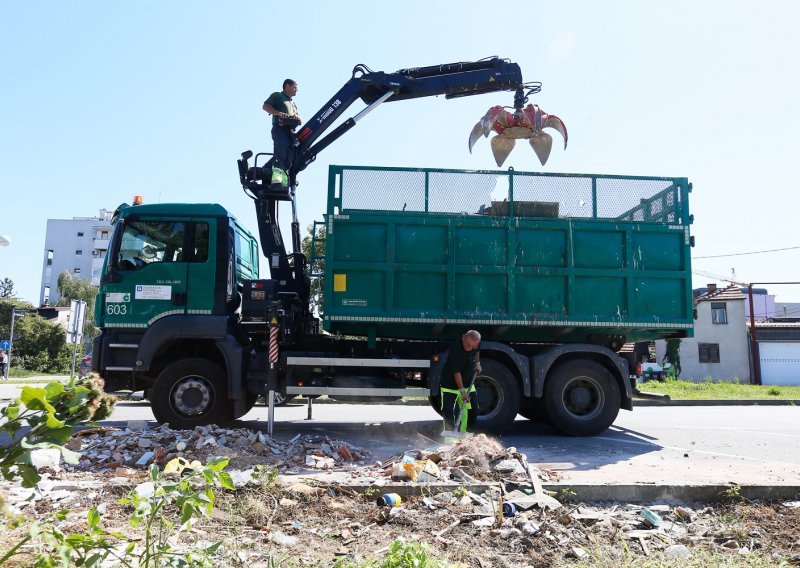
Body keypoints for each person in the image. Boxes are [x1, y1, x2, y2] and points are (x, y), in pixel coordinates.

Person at [439, 330, 482, 433]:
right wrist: (462, 391)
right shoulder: (455, 349)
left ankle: (467, 439)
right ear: (463, 338)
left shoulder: (475, 344)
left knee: (473, 410)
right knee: (448, 411)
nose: (469, 348)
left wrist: (477, 363)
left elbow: (477, 351)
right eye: (468, 345)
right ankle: (450, 441)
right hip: (450, 384)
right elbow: (456, 372)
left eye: (473, 346)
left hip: (468, 382)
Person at [262, 79, 302, 186]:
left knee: (289, 158)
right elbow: (265, 106)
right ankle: (277, 182)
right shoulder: (277, 96)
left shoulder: (293, 103)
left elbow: (300, 119)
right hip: (280, 130)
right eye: (294, 87)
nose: (296, 90)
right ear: (287, 86)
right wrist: (279, 113)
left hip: (290, 132)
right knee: (281, 155)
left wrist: (296, 118)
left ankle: (283, 184)